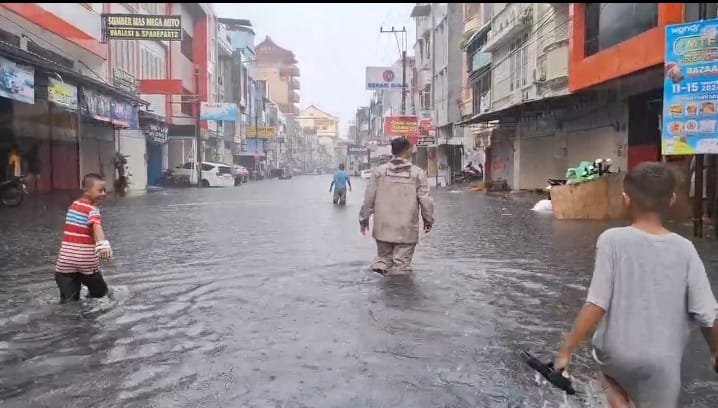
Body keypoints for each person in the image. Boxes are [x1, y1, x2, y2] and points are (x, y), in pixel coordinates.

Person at [553, 162, 718, 407]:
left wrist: (566, 351)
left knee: (607, 372)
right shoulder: (685, 249)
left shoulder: (611, 240)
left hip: (616, 356)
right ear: (671, 199)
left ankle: (615, 395)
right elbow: (707, 314)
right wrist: (715, 352)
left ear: (626, 199)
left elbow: (596, 303)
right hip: (663, 364)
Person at [359, 137, 434, 275]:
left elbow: (368, 199)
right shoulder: (417, 173)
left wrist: (364, 219)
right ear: (408, 150)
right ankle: (398, 293)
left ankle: (382, 291)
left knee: (383, 261)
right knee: (401, 267)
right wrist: (428, 219)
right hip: (406, 229)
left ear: (392, 151)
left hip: (383, 227)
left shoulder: (379, 172)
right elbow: (426, 201)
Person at [55, 173, 113, 303]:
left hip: (65, 263)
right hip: (86, 262)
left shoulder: (72, 206)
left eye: (104, 190)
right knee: (101, 294)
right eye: (100, 190)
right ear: (86, 190)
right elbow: (96, 226)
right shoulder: (93, 210)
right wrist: (102, 245)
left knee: (68, 301)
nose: (104, 193)